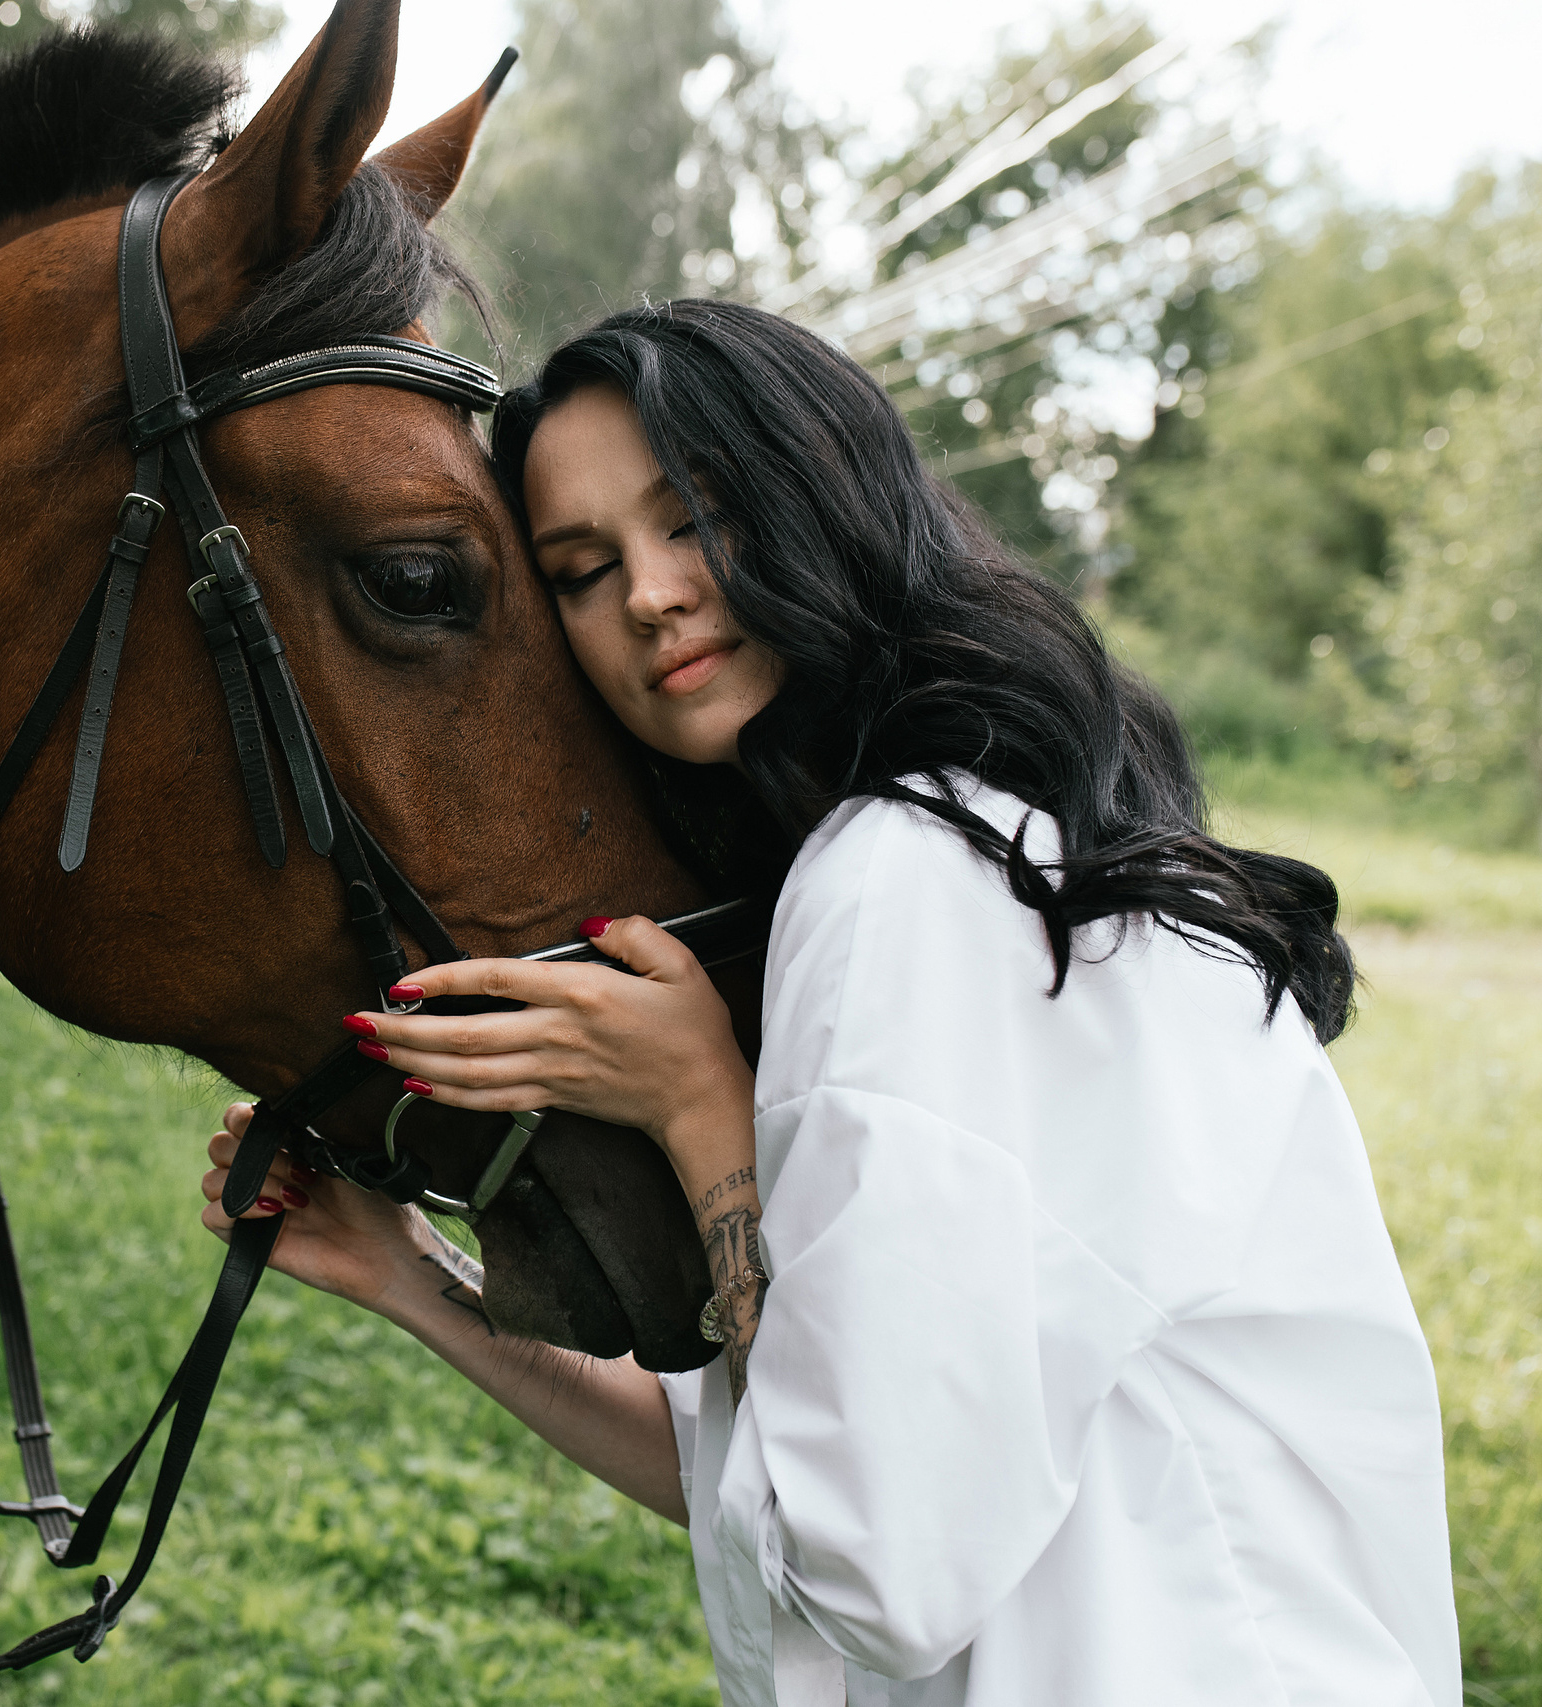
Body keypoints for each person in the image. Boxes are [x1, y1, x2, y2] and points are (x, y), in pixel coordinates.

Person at [197, 300, 1458, 1706]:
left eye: (697, 520)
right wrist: (407, 1277)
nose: (652, 596)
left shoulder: (913, 877)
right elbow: (768, 1474)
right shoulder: (984, 842)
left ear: (820, 488)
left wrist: (693, 1103)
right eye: (581, 569)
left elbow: (868, 1565)